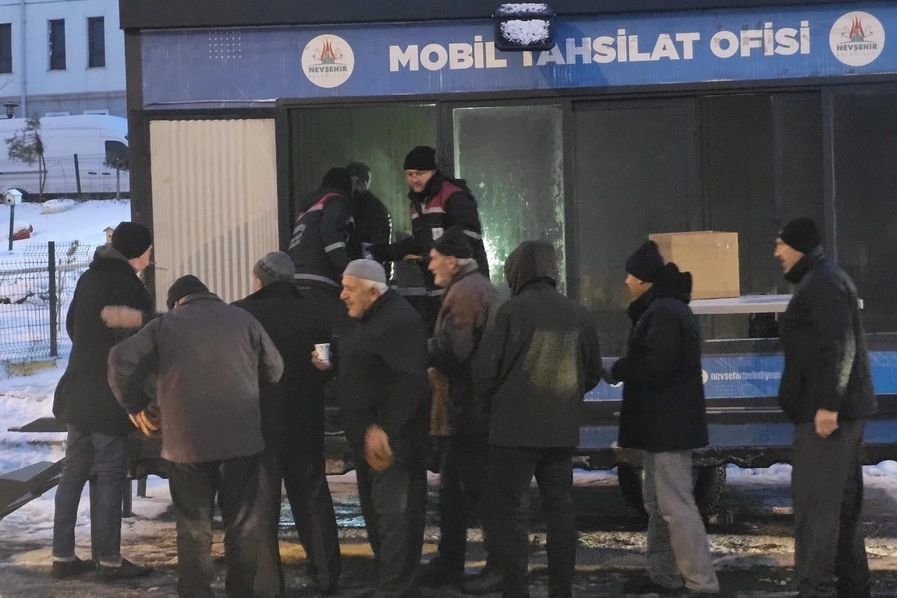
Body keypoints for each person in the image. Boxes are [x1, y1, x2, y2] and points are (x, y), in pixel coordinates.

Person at [108, 275, 284, 598]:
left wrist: (135, 405)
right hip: (241, 441)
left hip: (186, 445)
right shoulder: (244, 319)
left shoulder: (165, 325)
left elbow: (119, 359)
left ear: (176, 302)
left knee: (193, 529)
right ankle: (242, 592)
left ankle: (195, 592)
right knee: (242, 525)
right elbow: (275, 369)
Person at [473, 240, 605, 598]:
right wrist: (566, 398)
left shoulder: (510, 311)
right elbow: (593, 371)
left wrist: (492, 405)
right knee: (560, 511)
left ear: (517, 272)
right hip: (561, 432)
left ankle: (516, 590)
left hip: (512, 432)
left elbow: (485, 371)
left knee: (512, 514)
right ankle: (561, 590)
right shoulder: (579, 314)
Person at [314, 259, 430, 597]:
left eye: (349, 288)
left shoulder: (400, 321)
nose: (342, 295)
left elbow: (410, 382)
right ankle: (390, 582)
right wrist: (332, 366)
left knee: (395, 518)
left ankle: (395, 587)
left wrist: (385, 428)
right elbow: (365, 365)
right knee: (379, 516)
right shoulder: (366, 319)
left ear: (373, 291)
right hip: (369, 441)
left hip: (393, 444)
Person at [610, 240, 720, 597]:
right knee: (660, 505)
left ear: (644, 279)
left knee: (675, 506)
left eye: (631, 275)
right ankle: (663, 575)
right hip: (663, 426)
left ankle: (701, 584)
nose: (626, 281)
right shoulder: (666, 308)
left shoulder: (663, 313)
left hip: (667, 427)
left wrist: (619, 369)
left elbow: (654, 366)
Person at [774, 217, 876, 598]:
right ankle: (853, 587)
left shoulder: (822, 283)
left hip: (827, 421)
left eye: (781, 244)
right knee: (843, 513)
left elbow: (840, 344)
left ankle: (813, 589)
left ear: (798, 246)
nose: (777, 252)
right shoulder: (823, 279)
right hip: (837, 417)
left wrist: (828, 406)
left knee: (817, 513)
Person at [233, 252, 344, 596]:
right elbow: (326, 364)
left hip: (259, 424)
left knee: (262, 506)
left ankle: (268, 584)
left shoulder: (241, 313)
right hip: (305, 421)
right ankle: (327, 574)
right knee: (312, 499)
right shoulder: (315, 312)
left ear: (259, 280)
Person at [50, 221, 154, 581]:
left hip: (77, 388)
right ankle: (109, 561)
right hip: (109, 393)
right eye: (148, 252)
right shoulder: (128, 285)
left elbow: (72, 325)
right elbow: (137, 343)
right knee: (110, 474)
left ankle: (62, 556)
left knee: (73, 472)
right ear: (137, 253)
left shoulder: (89, 278)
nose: (150, 258)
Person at [418, 226, 501, 593]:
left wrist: (419, 348)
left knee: (477, 491)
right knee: (454, 490)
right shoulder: (470, 288)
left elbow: (454, 351)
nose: (430, 265)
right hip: (467, 409)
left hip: (468, 410)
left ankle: (496, 564)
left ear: (451, 260)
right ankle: (450, 559)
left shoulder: (467, 293)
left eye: (434, 258)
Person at [372, 145, 489, 330]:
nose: (414, 179)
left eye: (420, 173)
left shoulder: (453, 196)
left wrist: (428, 257)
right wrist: (384, 252)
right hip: (436, 288)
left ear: (433, 172)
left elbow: (466, 242)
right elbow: (420, 242)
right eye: (409, 174)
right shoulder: (417, 204)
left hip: (463, 289)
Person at [288, 166, 354, 291]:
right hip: (320, 280)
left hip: (297, 279)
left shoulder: (307, 211)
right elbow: (331, 236)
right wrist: (352, 271)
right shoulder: (337, 201)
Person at [346, 161, 392, 276]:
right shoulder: (376, 208)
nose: (354, 186)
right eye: (351, 181)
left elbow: (380, 246)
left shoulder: (375, 209)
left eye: (358, 182)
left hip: (361, 271)